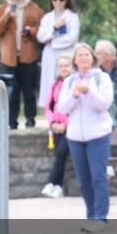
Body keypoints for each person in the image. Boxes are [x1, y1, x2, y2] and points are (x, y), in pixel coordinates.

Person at [57, 42, 114, 233]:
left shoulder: (101, 78)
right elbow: (62, 108)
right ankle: (91, 215)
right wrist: (74, 95)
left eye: (87, 55)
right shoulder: (69, 82)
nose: (83, 58)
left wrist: (88, 92)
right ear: (74, 59)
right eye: (80, 55)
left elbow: (104, 104)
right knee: (84, 178)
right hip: (75, 136)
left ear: (93, 58)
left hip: (98, 134)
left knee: (98, 176)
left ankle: (101, 217)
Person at [0, 0, 44, 130]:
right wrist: (6, 16)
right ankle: (12, 121)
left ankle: (30, 119)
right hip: (9, 56)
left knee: (29, 89)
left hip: (28, 54)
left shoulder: (34, 8)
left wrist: (31, 31)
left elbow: (43, 30)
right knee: (12, 90)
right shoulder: (0, 9)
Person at [36, 0, 80, 112]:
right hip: (49, 55)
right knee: (51, 83)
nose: (58, 2)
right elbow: (40, 36)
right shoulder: (47, 18)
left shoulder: (72, 17)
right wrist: (54, 28)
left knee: (67, 81)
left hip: (66, 53)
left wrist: (53, 42)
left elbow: (72, 37)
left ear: (66, 1)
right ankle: (51, 111)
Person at [41, 55, 73, 199]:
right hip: (56, 127)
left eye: (66, 65)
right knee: (59, 155)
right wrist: (53, 123)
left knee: (60, 153)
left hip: (70, 127)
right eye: (61, 66)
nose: (64, 68)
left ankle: (52, 183)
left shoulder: (74, 83)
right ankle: (58, 186)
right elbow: (49, 107)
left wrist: (65, 125)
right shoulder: (55, 84)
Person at [95, 40, 117, 127]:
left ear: (109, 56)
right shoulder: (96, 73)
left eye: (98, 53)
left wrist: (113, 114)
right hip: (101, 115)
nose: (94, 56)